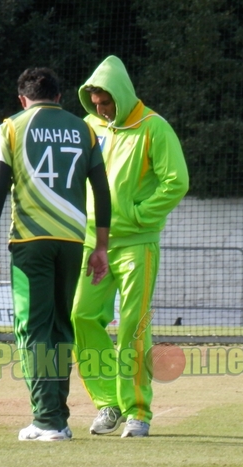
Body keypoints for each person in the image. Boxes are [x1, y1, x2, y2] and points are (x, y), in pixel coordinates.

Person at [0, 67, 111, 441]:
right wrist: (101, 247)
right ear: (59, 97)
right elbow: (102, 191)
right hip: (72, 243)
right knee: (60, 328)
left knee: (34, 330)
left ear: (23, 99)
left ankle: (47, 421)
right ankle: (59, 417)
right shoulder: (84, 129)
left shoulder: (11, 127)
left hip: (30, 243)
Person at [71, 55, 189, 438]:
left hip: (138, 244)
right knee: (81, 317)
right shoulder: (89, 126)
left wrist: (139, 215)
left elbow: (176, 181)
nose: (101, 109)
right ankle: (109, 404)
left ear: (120, 95)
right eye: (96, 103)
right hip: (93, 243)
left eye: (106, 102)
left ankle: (138, 411)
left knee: (132, 328)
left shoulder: (154, 128)